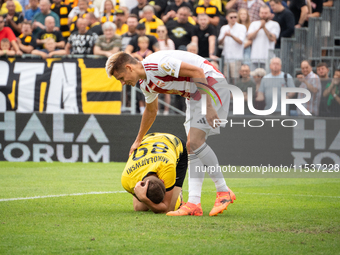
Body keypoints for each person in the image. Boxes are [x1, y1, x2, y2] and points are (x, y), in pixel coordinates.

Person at [106, 50, 236, 216]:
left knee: (194, 142)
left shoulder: (157, 64)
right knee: (191, 148)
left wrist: (208, 106)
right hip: (193, 95)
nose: (123, 83)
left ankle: (223, 191)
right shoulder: (145, 84)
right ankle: (194, 203)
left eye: (121, 78)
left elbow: (198, 72)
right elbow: (151, 111)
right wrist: (138, 140)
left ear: (129, 67)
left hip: (210, 84)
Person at [121, 132, 188, 213]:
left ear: (163, 181)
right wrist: (144, 199)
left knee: (170, 209)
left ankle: (178, 195)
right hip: (149, 139)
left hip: (175, 144)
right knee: (139, 208)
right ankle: (170, 191)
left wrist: (145, 199)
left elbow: (165, 209)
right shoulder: (127, 178)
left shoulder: (168, 167)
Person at [218, 9, 246, 83]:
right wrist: (224, 36)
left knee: (235, 79)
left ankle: (235, 94)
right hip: (226, 58)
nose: (233, 19)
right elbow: (220, 42)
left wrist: (231, 35)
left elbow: (241, 41)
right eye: (231, 17)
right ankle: (227, 94)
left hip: (236, 58)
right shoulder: (224, 28)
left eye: (235, 17)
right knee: (225, 78)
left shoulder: (241, 27)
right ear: (227, 17)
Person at [247, 5, 280, 70]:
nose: (263, 15)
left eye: (265, 13)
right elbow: (249, 37)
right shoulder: (254, 24)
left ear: (270, 14)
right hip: (255, 57)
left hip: (268, 58)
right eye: (262, 13)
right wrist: (259, 28)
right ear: (259, 14)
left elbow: (273, 38)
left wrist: (264, 27)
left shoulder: (275, 24)